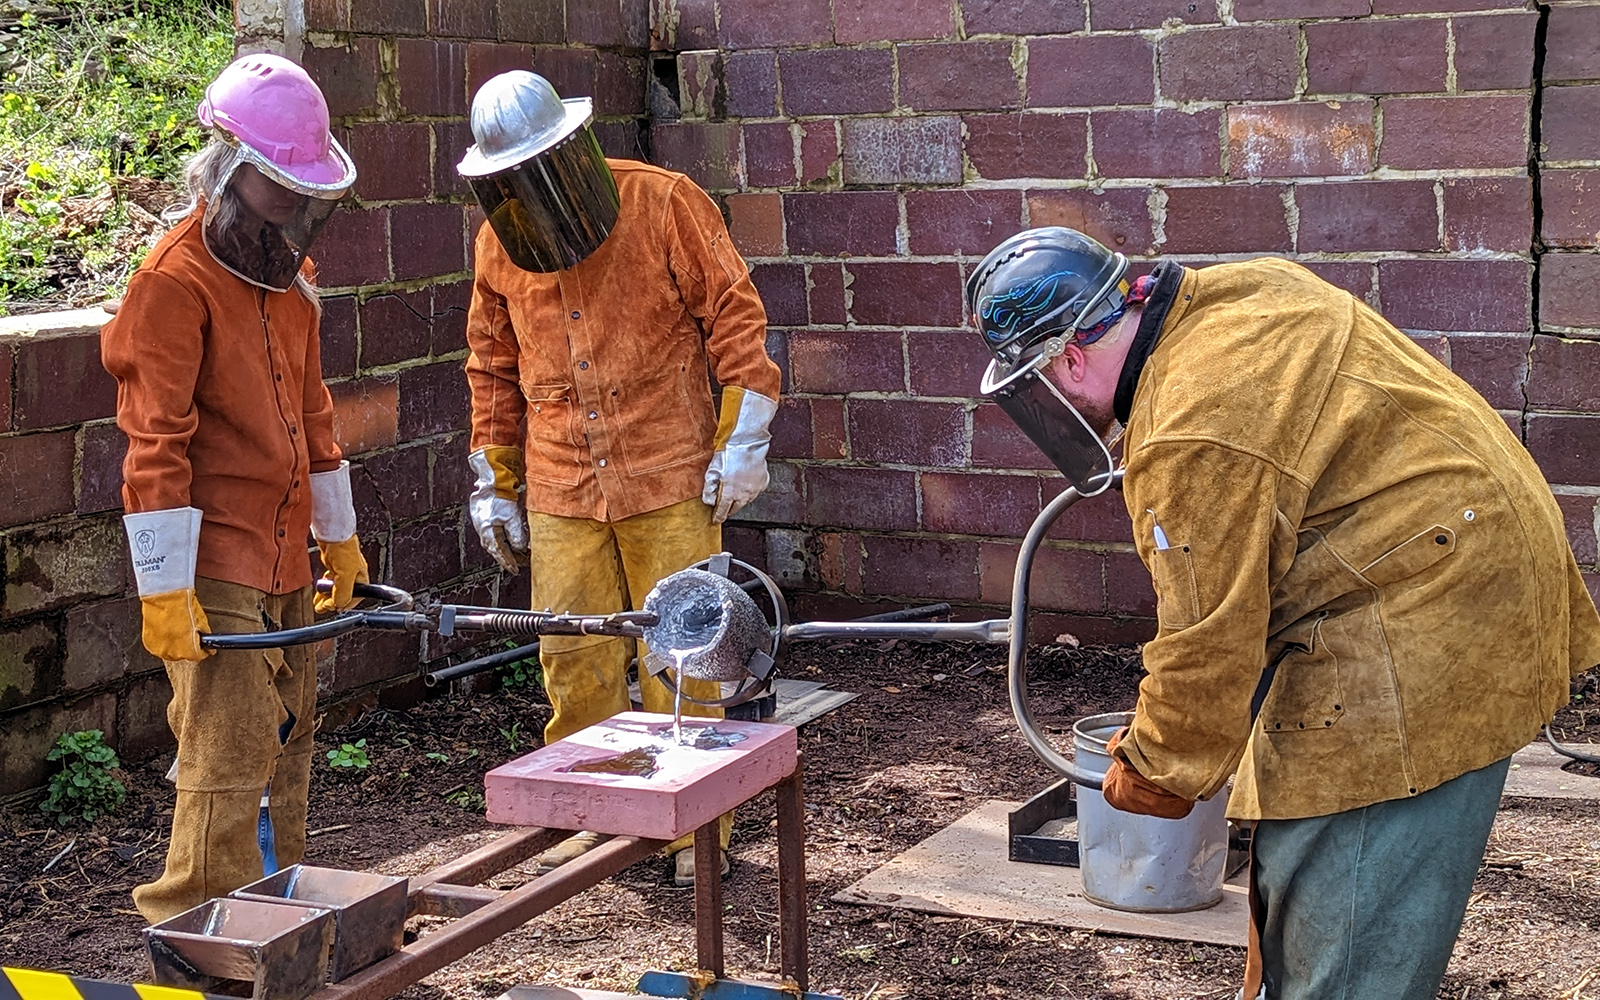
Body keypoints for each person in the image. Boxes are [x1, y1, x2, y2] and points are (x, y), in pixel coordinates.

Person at [964, 227, 1600, 999]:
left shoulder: (1190, 429)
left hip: (1427, 614)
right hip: (1475, 562)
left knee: (1345, 934)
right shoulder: (1244, 292)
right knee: (1304, 860)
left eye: (1042, 387)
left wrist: (1155, 767)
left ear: (1066, 358)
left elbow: (1208, 639)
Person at [456, 70, 781, 885]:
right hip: (562, 481)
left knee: (691, 656)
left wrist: (742, 438)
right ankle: (597, 818)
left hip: (667, 472)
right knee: (574, 658)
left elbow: (736, 317)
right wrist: (494, 480)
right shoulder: (500, 239)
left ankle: (697, 831)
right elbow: (491, 366)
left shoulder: (666, 201)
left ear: (575, 153)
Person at [101, 52, 369, 923]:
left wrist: (338, 536)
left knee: (288, 732)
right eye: (281, 180)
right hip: (214, 551)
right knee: (228, 742)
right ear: (234, 169)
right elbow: (155, 444)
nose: (296, 199)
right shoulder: (172, 285)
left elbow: (313, 411)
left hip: (285, 541)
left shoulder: (288, 272)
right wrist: (168, 591)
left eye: (304, 183)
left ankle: (271, 911)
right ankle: (190, 927)